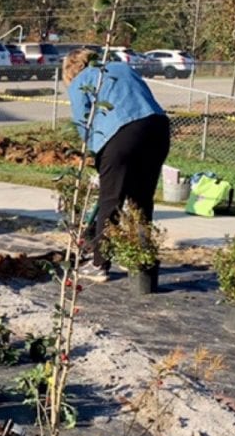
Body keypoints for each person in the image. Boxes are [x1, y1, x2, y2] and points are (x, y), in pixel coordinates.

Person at [62, 48, 173, 275]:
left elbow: (84, 123)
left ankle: (99, 264)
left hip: (122, 133)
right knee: (141, 200)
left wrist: (95, 155)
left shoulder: (80, 82)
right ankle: (142, 261)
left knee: (110, 200)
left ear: (70, 70)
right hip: (158, 129)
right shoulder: (122, 68)